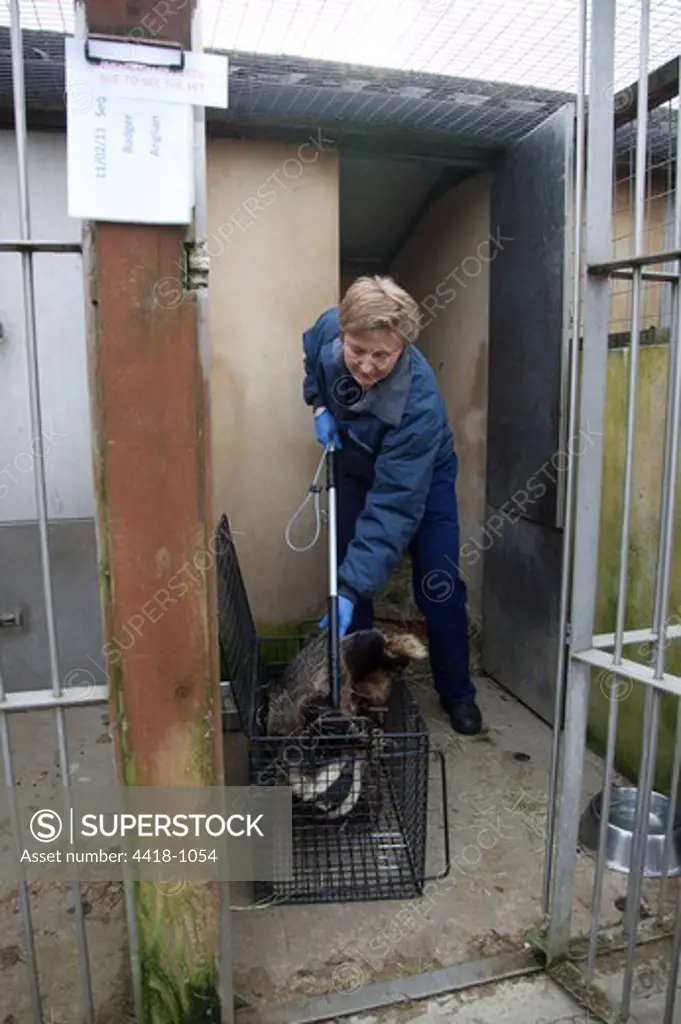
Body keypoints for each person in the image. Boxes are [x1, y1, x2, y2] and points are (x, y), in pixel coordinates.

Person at [301, 275, 482, 736]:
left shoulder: (419, 405)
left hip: (421, 477)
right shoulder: (330, 329)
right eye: (356, 350)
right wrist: (319, 407)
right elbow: (310, 356)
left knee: (437, 586)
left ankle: (457, 692)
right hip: (356, 465)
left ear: (402, 346)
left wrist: (356, 583)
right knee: (349, 583)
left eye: (381, 355)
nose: (364, 365)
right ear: (343, 332)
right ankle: (358, 695)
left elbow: (395, 508)